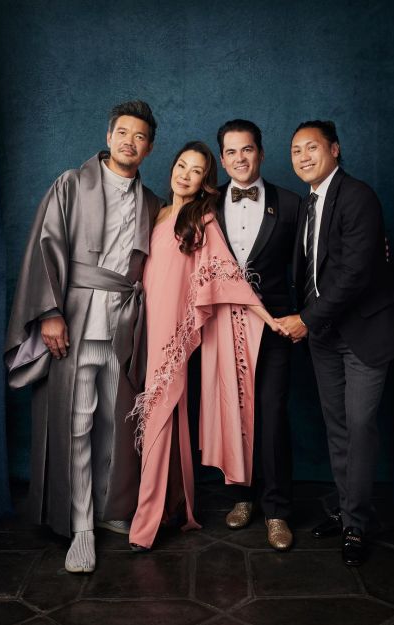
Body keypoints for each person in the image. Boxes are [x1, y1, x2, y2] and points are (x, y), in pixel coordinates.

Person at [4, 100, 162, 573]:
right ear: (109, 134)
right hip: (75, 318)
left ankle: (107, 507)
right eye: (123, 133)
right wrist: (50, 312)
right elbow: (45, 246)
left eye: (140, 137)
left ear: (149, 147)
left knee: (116, 422)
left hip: (127, 325)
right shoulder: (72, 184)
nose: (129, 142)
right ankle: (81, 527)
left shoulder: (152, 201)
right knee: (77, 422)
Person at [127, 141, 287, 551]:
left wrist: (266, 317)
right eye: (181, 165)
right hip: (148, 324)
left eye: (196, 170)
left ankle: (144, 526)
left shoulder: (204, 218)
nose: (184, 174)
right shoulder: (159, 212)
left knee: (160, 415)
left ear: (205, 182)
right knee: (170, 415)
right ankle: (176, 506)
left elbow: (227, 275)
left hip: (174, 330)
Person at [278, 120, 394, 565]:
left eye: (311, 147)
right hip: (325, 337)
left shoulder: (358, 196)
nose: (303, 157)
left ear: (334, 148)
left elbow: (355, 273)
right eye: (295, 151)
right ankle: (348, 510)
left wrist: (305, 320)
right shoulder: (307, 203)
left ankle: (356, 523)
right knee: (336, 428)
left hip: (363, 333)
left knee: (360, 427)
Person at [215, 119, 301, 551]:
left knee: (270, 413)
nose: (240, 159)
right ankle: (240, 497)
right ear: (222, 158)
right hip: (224, 330)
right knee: (233, 414)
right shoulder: (208, 205)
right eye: (231, 152)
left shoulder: (290, 203)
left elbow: (310, 264)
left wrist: (302, 316)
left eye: (247, 149)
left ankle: (277, 510)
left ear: (261, 153)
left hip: (275, 326)